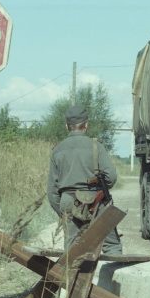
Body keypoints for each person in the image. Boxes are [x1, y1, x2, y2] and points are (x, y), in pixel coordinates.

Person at [47, 105, 122, 255]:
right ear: (86, 125)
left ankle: (71, 278)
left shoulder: (58, 150)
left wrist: (64, 211)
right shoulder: (96, 146)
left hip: (68, 202)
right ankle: (110, 276)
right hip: (97, 201)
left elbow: (52, 192)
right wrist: (100, 191)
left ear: (66, 126)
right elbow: (111, 177)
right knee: (112, 245)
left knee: (72, 252)